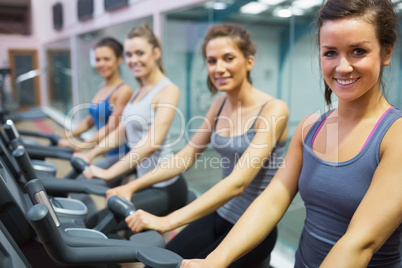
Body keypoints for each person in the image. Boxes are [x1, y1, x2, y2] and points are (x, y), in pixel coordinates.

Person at [181, 0, 402, 267]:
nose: (342, 67)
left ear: (386, 52)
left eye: (358, 51)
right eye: (330, 53)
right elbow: (272, 200)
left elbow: (359, 243)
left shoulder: (395, 134)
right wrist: (215, 260)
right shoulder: (310, 128)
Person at [106, 24, 289, 267]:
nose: (219, 68)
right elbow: (186, 155)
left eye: (229, 58)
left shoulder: (273, 109)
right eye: (212, 61)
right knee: (158, 263)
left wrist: (169, 221)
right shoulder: (220, 105)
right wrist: (132, 187)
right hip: (220, 213)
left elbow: (238, 182)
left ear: (249, 61)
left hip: (253, 227)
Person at [80, 24, 188, 215]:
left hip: (164, 185)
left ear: (156, 53)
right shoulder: (138, 90)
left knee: (103, 219)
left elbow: (152, 143)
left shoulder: (168, 90)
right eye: (129, 55)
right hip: (142, 181)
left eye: (140, 53)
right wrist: (90, 154)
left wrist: (109, 172)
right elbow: (120, 132)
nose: (133, 60)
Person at [58, 37, 132, 165]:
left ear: (119, 60)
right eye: (98, 60)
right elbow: (90, 120)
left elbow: (111, 127)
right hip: (104, 150)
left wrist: (81, 146)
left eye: (106, 59)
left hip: (119, 153)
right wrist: (68, 135)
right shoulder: (103, 86)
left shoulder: (123, 90)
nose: (101, 64)